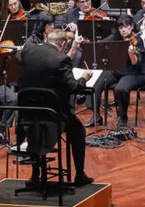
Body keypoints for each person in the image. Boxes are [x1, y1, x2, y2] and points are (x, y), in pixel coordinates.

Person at [18, 29, 94, 186]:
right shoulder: (61, 59)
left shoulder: (27, 53)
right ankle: (80, 175)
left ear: (47, 39)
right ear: (64, 44)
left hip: (29, 112)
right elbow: (74, 87)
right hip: (53, 114)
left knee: (34, 130)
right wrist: (84, 77)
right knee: (78, 131)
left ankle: (35, 175)